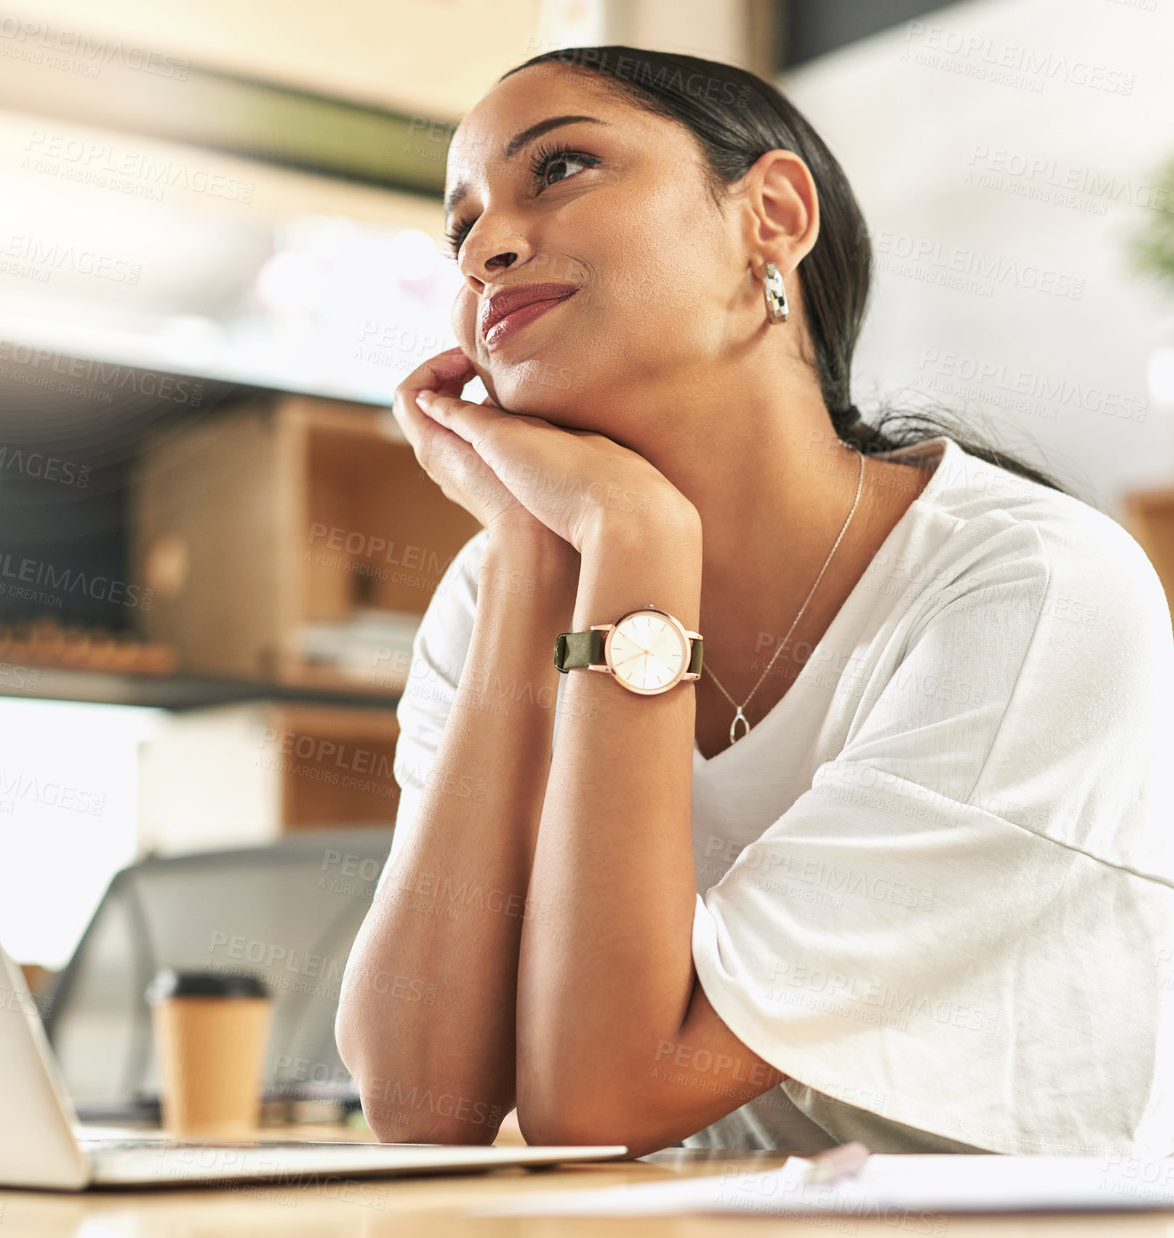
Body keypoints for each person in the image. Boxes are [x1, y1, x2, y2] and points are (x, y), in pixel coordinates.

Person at [334, 45, 1174, 1158]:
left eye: (562, 167)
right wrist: (536, 560)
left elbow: (603, 1101)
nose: (486, 249)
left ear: (769, 214)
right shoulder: (506, 580)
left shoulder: (1037, 587)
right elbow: (420, 1106)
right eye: (460, 230)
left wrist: (633, 542)